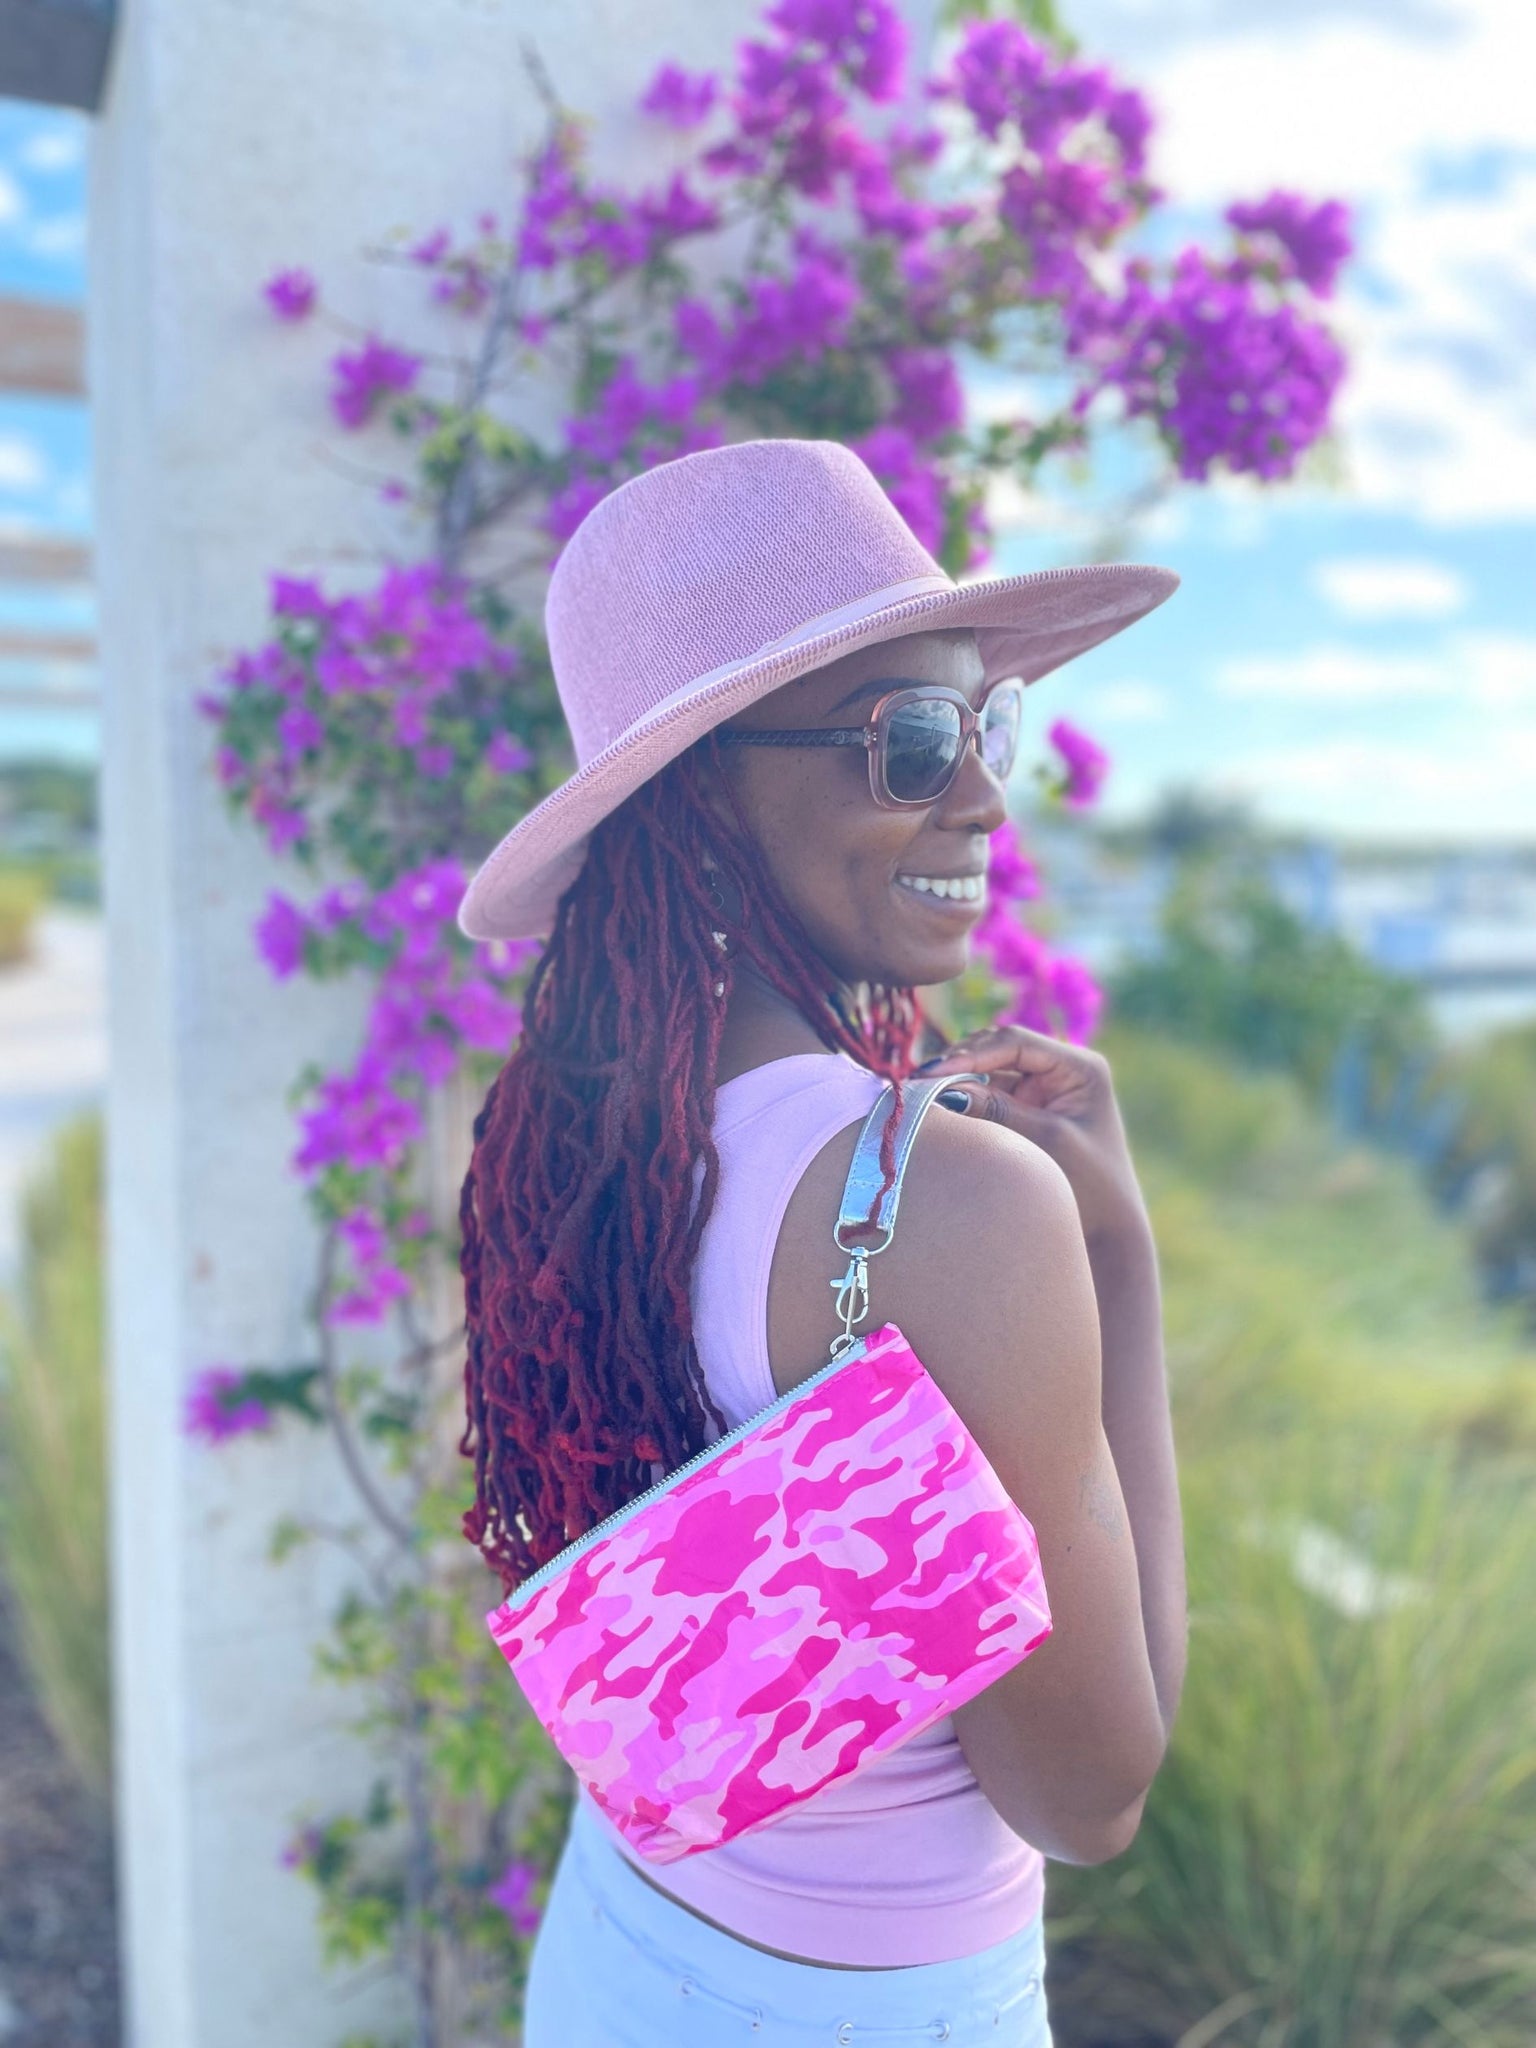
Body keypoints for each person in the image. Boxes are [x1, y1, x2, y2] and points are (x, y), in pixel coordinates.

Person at [455, 439, 1188, 2046]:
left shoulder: (576, 1145)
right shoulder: (959, 1206)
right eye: (908, 739)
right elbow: (1092, 1795)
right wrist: (1119, 1263)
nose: (983, 793)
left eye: (983, 724)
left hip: (621, 1943)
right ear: (705, 792)